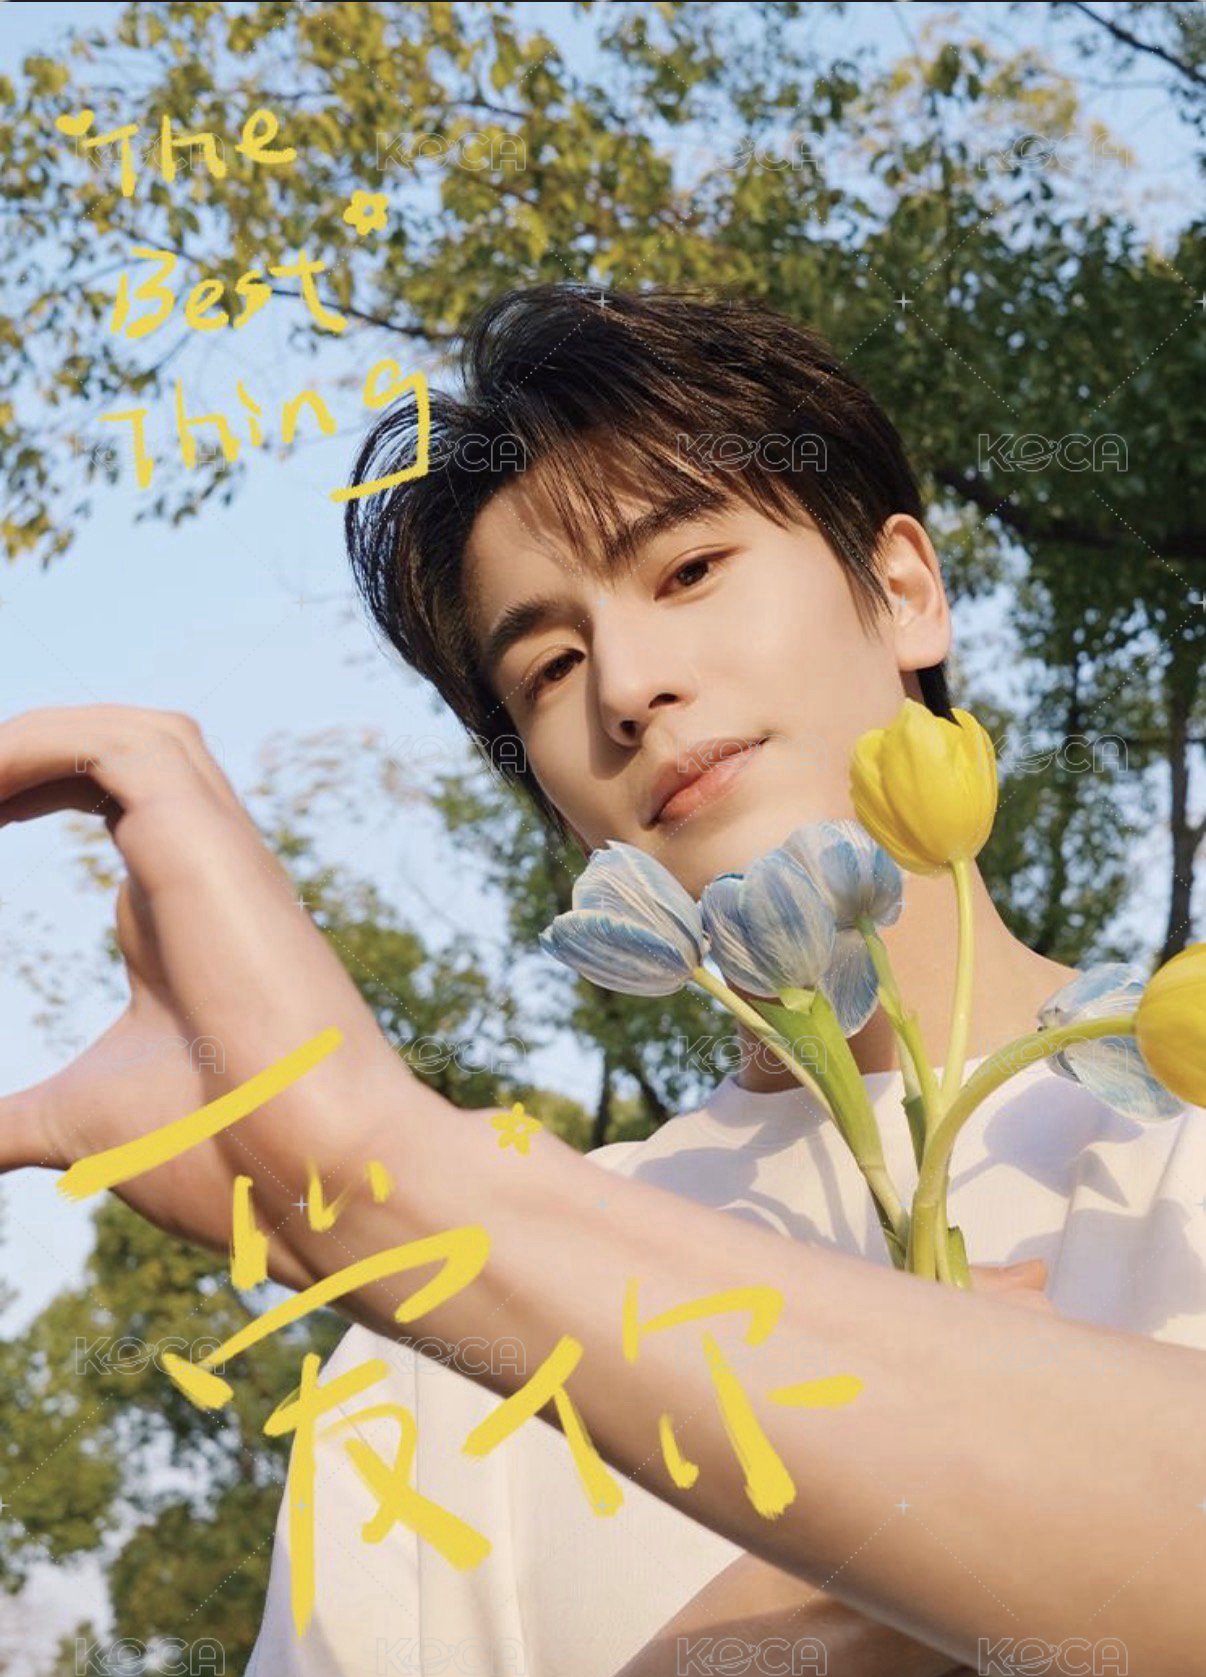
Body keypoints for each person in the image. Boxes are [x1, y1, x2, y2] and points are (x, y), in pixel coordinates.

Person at [0, 284, 1201, 1676]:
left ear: (903, 591)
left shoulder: (1173, 1110)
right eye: (551, 665)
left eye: (687, 570)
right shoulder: (436, 1352)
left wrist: (380, 1171)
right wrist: (844, 1583)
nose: (626, 685)